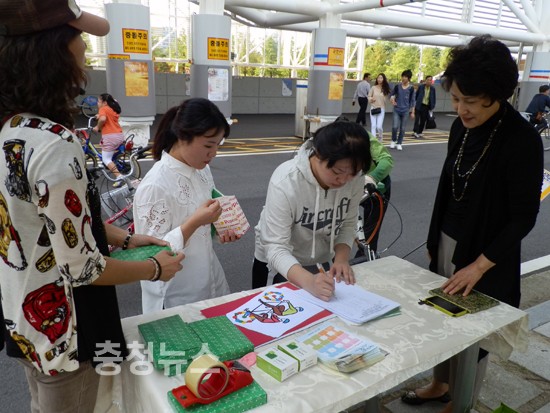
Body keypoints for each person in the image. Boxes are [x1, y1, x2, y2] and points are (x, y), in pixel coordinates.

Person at [0, 2, 185, 412]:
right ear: (53, 50)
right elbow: (83, 267)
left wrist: (126, 237)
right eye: (77, 36)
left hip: (24, 317)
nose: (84, 47)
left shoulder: (12, 127)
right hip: (68, 328)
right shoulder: (54, 142)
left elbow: (41, 221)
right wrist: (155, 268)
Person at [401, 35, 543, 412]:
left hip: (486, 254)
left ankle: (462, 400)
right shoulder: (460, 128)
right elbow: (448, 187)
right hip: (449, 238)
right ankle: (440, 384)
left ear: (498, 95)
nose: (461, 109)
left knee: (473, 332)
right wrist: (435, 240)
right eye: (456, 98)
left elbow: (524, 216)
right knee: (439, 317)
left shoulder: (522, 140)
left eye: (471, 101)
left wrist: (479, 266)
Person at [133, 98, 240, 314]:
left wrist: (220, 229)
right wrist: (196, 222)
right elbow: (151, 255)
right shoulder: (155, 186)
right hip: (175, 292)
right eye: (208, 145)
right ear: (183, 137)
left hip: (208, 278)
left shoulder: (201, 170)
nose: (214, 153)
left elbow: (204, 224)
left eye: (218, 145)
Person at [251, 120, 372, 301]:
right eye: (337, 172)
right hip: (276, 262)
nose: (343, 181)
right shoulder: (286, 181)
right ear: (319, 154)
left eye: (352, 173)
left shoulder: (355, 179)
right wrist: (309, 281)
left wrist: (341, 259)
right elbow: (275, 246)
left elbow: (348, 223)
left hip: (321, 259)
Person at [92, 93, 125, 186]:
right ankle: (113, 166)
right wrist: (98, 115)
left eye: (99, 101)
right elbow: (106, 115)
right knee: (110, 154)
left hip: (110, 136)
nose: (97, 103)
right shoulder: (113, 108)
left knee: (106, 159)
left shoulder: (103, 109)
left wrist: (97, 127)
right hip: (119, 135)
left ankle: (119, 177)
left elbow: (103, 119)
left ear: (105, 103)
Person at [389, 69, 415, 151]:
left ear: (409, 78)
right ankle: (393, 140)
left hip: (405, 111)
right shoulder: (397, 86)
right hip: (396, 109)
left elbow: (413, 101)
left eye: (405, 77)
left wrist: (413, 112)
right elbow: (391, 95)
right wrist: (392, 100)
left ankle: (399, 143)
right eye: (402, 76)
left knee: (402, 128)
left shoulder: (411, 88)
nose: (403, 78)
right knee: (394, 127)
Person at [368, 73, 391, 142]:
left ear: (384, 79)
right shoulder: (373, 87)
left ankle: (380, 137)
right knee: (373, 126)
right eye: (378, 78)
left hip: (381, 109)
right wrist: (371, 99)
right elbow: (369, 96)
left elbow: (391, 96)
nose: (379, 79)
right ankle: (374, 141)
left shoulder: (386, 89)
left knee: (379, 126)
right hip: (373, 108)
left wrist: (393, 99)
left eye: (381, 78)